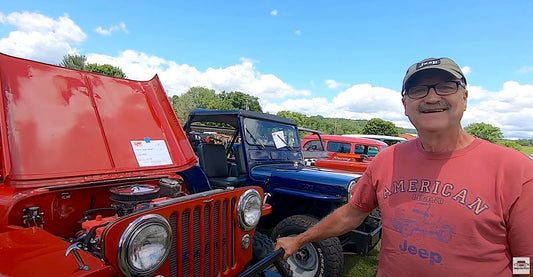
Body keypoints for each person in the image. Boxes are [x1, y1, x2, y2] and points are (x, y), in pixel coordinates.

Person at [275, 57, 533, 276]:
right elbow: (352, 213)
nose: (432, 98)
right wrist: (299, 239)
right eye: (418, 90)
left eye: (445, 87)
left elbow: (526, 259)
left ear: (464, 98)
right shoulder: (387, 159)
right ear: (405, 105)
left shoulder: (515, 170)